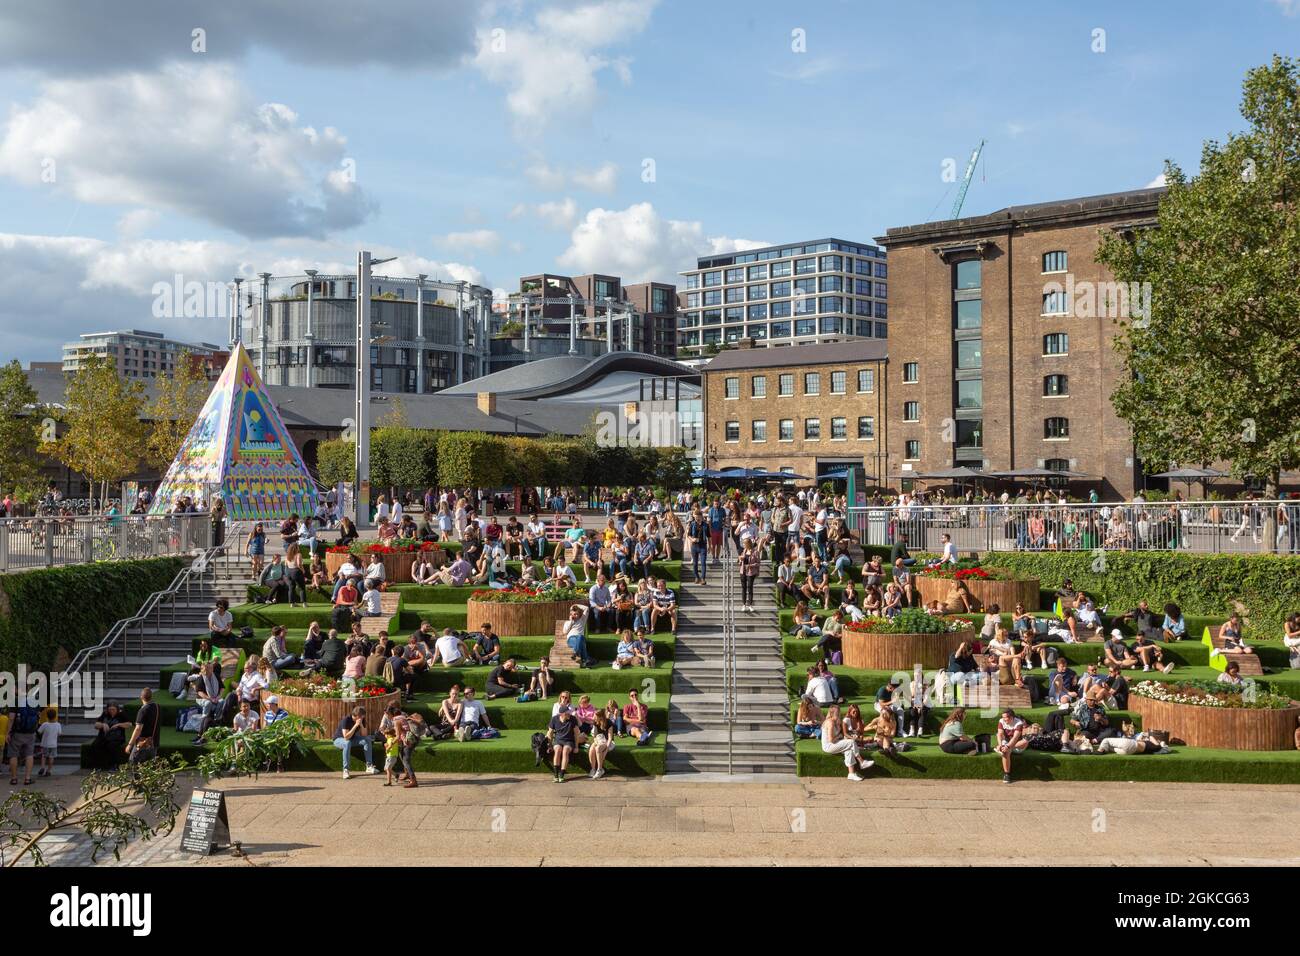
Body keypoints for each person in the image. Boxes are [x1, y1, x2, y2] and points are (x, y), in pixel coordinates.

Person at [821, 704, 874, 781]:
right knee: (851, 742)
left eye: (839, 712)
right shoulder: (830, 722)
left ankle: (851, 774)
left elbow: (841, 734)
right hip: (829, 746)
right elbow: (831, 740)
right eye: (838, 713)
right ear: (833, 713)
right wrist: (840, 736)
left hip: (836, 743)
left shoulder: (836, 721)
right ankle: (861, 762)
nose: (839, 714)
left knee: (849, 749)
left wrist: (852, 735)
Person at [125, 687, 162, 767]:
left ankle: (137, 780)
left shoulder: (143, 710)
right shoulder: (157, 707)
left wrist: (130, 744)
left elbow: (138, 729)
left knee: (133, 763)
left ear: (141, 697)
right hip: (154, 742)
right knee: (148, 768)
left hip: (143, 744)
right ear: (151, 697)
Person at [996, 708, 1028, 784]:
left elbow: (1015, 738)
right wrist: (1000, 745)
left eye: (1005, 718)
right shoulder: (1001, 721)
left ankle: (1004, 749)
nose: (1003, 719)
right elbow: (1000, 734)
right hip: (1006, 742)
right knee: (1005, 752)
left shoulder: (1019, 723)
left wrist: (1007, 747)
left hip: (1016, 745)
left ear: (1011, 717)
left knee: (1026, 741)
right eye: (1003, 717)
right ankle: (1007, 774)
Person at [548, 706, 579, 783]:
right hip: (558, 740)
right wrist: (550, 745)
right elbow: (550, 733)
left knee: (565, 751)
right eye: (567, 713)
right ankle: (555, 775)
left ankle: (561, 775)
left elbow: (576, 734)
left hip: (569, 741)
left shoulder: (573, 719)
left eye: (569, 712)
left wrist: (576, 746)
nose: (569, 714)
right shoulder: (554, 719)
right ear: (561, 714)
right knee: (558, 750)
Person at [561, 604, 597, 668]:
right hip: (571, 639)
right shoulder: (567, 622)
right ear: (571, 614)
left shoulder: (582, 620)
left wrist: (576, 605)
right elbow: (565, 632)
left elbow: (586, 608)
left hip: (581, 639)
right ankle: (586, 659)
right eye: (574, 614)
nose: (576, 616)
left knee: (580, 637)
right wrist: (571, 622)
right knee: (581, 639)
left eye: (577, 614)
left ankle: (577, 653)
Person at [587, 711, 615, 779]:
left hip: (608, 742)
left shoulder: (609, 723)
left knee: (598, 748)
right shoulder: (595, 723)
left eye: (595, 716)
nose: (594, 717)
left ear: (600, 717)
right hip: (598, 740)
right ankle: (593, 769)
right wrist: (596, 743)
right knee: (591, 749)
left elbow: (610, 738)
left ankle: (600, 769)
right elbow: (595, 736)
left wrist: (606, 749)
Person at [738, 538, 760, 612]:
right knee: (743, 588)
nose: (743, 545)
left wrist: (751, 565)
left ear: (748, 544)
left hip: (751, 572)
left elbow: (758, 563)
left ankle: (750, 605)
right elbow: (739, 562)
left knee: (750, 588)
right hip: (743, 571)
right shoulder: (743, 551)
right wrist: (740, 559)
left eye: (744, 543)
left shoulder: (755, 552)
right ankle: (744, 604)